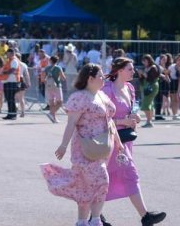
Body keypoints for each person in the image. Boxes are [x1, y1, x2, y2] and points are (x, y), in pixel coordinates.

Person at [40, 64, 120, 226]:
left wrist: (118, 143)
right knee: (97, 182)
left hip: (102, 147)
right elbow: (71, 123)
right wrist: (63, 145)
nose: (103, 78)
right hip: (85, 148)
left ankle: (87, 221)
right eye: (100, 75)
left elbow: (109, 121)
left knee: (92, 184)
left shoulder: (102, 96)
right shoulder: (80, 97)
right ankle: (91, 221)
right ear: (90, 79)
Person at [100, 58, 167, 226]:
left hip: (126, 140)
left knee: (117, 176)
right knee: (115, 176)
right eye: (130, 69)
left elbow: (133, 107)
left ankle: (96, 216)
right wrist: (124, 121)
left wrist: (135, 116)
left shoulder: (129, 88)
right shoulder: (107, 90)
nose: (134, 72)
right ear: (120, 71)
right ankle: (144, 216)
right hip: (111, 141)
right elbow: (100, 120)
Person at [0, 49, 22, 120]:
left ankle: (13, 114)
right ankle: (10, 114)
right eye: (7, 54)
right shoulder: (9, 61)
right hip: (7, 82)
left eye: (8, 53)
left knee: (11, 99)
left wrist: (4, 73)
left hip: (12, 82)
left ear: (12, 53)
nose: (7, 55)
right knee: (9, 99)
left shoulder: (14, 60)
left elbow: (12, 70)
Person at [138, 55, 159, 128]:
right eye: (143, 61)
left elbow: (150, 78)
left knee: (146, 104)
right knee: (150, 103)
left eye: (145, 61)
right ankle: (149, 121)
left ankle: (149, 121)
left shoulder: (153, 67)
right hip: (146, 86)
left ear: (149, 60)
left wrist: (143, 73)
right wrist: (140, 74)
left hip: (151, 87)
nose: (144, 63)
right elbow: (142, 79)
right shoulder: (146, 68)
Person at [44, 55, 66, 123]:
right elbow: (63, 78)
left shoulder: (47, 68)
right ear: (57, 61)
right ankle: (51, 114)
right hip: (57, 86)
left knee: (52, 103)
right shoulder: (58, 68)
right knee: (60, 102)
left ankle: (54, 118)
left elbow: (43, 77)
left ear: (50, 60)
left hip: (48, 86)